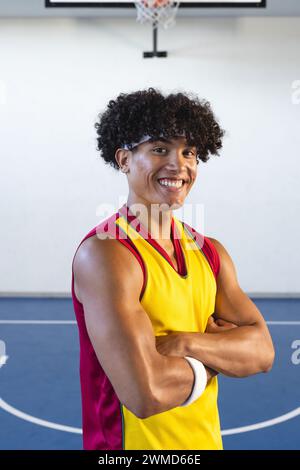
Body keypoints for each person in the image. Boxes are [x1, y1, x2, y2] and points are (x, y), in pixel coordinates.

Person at [71, 88, 275, 450]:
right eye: (160, 149)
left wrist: (185, 343)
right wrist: (220, 352)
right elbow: (146, 393)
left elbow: (262, 353)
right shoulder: (106, 255)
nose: (179, 165)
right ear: (124, 159)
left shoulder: (211, 252)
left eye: (189, 152)